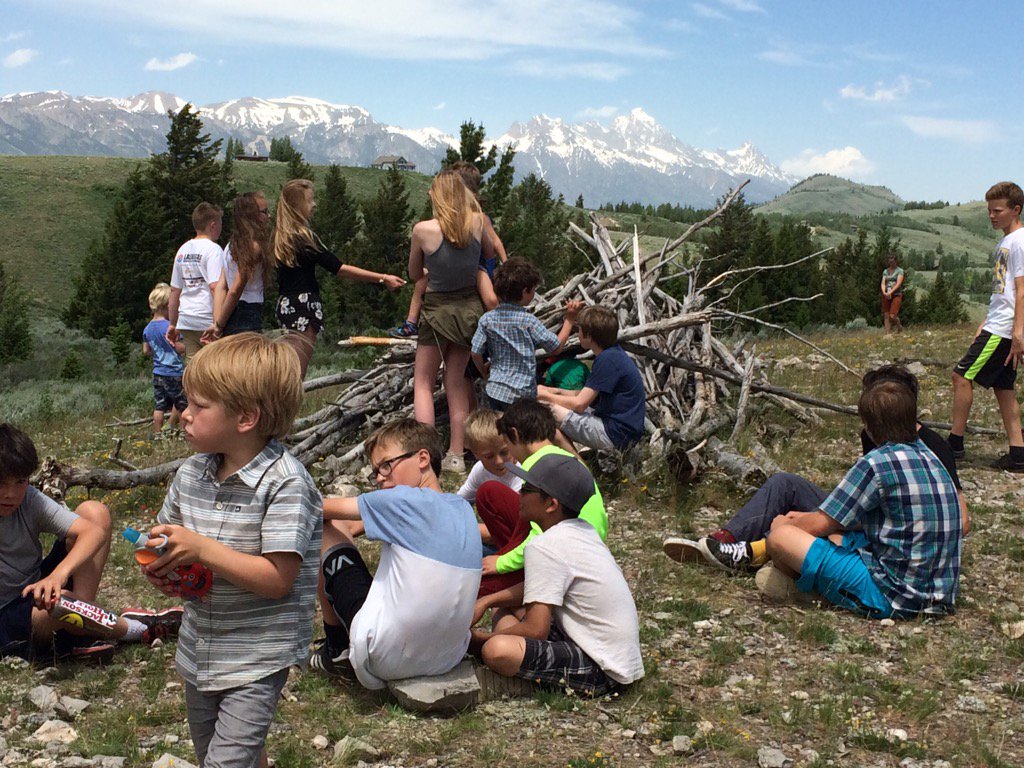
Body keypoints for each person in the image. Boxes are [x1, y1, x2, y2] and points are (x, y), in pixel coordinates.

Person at [144, 333, 322, 768]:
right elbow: (170, 538)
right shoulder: (191, 473)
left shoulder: (285, 483)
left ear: (245, 417)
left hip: (256, 658)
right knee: (214, 755)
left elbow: (278, 580)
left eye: (198, 407)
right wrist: (163, 564)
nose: (184, 415)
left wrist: (202, 549)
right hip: (199, 650)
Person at [665, 365, 970, 571]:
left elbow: (961, 520)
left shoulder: (933, 446)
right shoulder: (877, 439)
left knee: (799, 529)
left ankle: (752, 552)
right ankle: (724, 541)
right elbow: (865, 494)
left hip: (886, 530)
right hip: (864, 515)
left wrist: (827, 521)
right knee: (786, 484)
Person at [758, 379, 961, 618]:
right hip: (939, 595)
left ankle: (802, 589)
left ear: (871, 428)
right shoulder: (932, 457)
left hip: (894, 597)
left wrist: (784, 524)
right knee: (838, 536)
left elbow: (822, 523)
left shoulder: (877, 462)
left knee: (781, 537)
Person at [313, 420, 481, 688]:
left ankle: (336, 647)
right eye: (376, 471)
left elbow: (316, 508)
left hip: (386, 656)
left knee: (321, 529)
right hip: (448, 657)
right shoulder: (461, 508)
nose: (380, 477)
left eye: (386, 465)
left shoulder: (401, 499)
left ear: (422, 458)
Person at [1, 423, 181, 662]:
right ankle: (138, 629)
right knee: (61, 602)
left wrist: (58, 574)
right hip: (6, 617)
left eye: (20, 482)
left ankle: (80, 625)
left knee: (94, 512)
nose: (10, 494)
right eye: (1, 482)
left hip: (36, 586)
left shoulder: (29, 500)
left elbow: (94, 532)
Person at [473, 453, 644, 697]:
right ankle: (525, 671)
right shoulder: (581, 531)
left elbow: (536, 630)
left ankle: (523, 683)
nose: (520, 493)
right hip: (614, 655)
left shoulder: (545, 546)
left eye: (528, 488)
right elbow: (541, 586)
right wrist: (488, 600)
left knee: (496, 649)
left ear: (551, 504)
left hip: (603, 668)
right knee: (504, 611)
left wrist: (479, 640)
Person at [474, 398, 608, 598]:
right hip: (591, 546)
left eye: (507, 445)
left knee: (477, 586)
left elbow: (538, 537)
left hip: (564, 554)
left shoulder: (537, 468)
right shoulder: (564, 459)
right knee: (491, 492)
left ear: (515, 435)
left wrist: (501, 564)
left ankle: (518, 575)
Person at [272, 179, 406, 377]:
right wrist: (382, 278)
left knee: (286, 366)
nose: (314, 204)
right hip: (304, 305)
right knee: (297, 371)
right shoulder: (304, 236)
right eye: (310, 200)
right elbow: (339, 268)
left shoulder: (279, 237)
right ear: (298, 205)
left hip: (285, 304)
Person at [410, 170, 497, 473]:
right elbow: (488, 253)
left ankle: (427, 454)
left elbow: (413, 273)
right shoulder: (476, 222)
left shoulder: (423, 230)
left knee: (422, 382)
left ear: (437, 195)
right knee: (457, 381)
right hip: (469, 309)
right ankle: (456, 454)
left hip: (436, 309)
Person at [949, 181, 1024, 471]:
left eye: (998, 210)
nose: (991, 215)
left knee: (961, 376)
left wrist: (1017, 332)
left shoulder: (1019, 241)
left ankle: (954, 444)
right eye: (989, 210)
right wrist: (985, 320)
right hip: (999, 323)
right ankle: (1018, 453)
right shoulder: (1006, 241)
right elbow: (1003, 291)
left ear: (1015, 209)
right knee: (1004, 388)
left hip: (1005, 328)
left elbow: (1021, 289)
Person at [389, 160, 506, 339]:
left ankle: (500, 330)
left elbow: (494, 244)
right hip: (465, 269)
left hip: (477, 266)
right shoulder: (463, 218)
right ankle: (411, 321)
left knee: (490, 300)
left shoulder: (478, 218)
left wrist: (505, 265)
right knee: (422, 283)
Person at [471, 257, 581, 411]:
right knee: (520, 432)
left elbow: (475, 352)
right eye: (533, 290)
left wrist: (484, 371)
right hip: (521, 395)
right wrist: (569, 319)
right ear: (525, 292)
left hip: (495, 391)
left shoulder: (487, 319)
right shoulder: (529, 321)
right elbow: (556, 347)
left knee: (497, 432)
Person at [538, 305, 646, 454]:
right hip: (623, 432)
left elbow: (579, 404)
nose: (578, 334)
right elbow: (583, 395)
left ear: (589, 336)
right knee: (550, 402)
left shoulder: (607, 360)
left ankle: (576, 462)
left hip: (615, 435)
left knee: (543, 407)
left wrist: (544, 395)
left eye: (580, 331)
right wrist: (551, 390)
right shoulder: (613, 354)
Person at [204, 191, 273, 340]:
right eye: (264, 212)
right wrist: (219, 324)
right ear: (251, 216)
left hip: (229, 313)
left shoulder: (229, 247)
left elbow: (222, 286)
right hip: (248, 311)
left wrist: (218, 323)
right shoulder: (254, 246)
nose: (269, 216)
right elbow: (236, 289)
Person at [166, 202, 224, 361]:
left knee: (193, 368)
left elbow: (174, 290)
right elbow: (215, 287)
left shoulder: (183, 250)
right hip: (206, 319)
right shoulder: (214, 250)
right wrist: (218, 322)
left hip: (187, 319)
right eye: (220, 223)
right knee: (214, 367)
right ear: (212, 225)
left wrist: (173, 323)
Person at [143, 282, 188, 437]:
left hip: (158, 372)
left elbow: (146, 350)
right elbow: (180, 348)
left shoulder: (148, 328)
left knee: (159, 406)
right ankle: (183, 431)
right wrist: (185, 346)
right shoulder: (170, 327)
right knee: (183, 404)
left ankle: (158, 433)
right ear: (166, 306)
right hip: (174, 371)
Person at [881, 253, 904, 334]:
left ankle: (899, 326)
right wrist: (884, 292)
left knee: (892, 315)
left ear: (896, 261)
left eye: (892, 261)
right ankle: (888, 333)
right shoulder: (885, 271)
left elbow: (898, 283)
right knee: (886, 315)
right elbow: (883, 283)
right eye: (889, 261)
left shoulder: (900, 271)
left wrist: (891, 291)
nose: (891, 263)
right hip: (887, 294)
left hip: (896, 294)